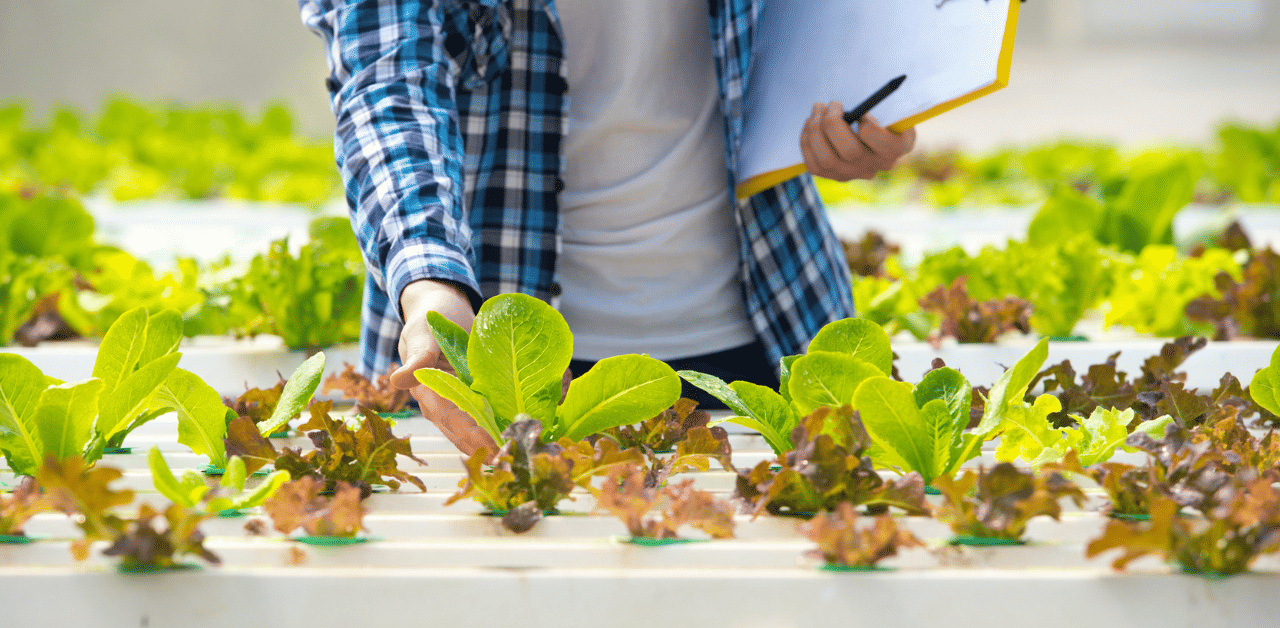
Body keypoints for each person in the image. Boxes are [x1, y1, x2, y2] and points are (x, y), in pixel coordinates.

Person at [299, 0, 916, 455]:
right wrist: (431, 285)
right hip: (494, 363)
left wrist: (880, 103)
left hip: (765, 322)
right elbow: (388, 84)